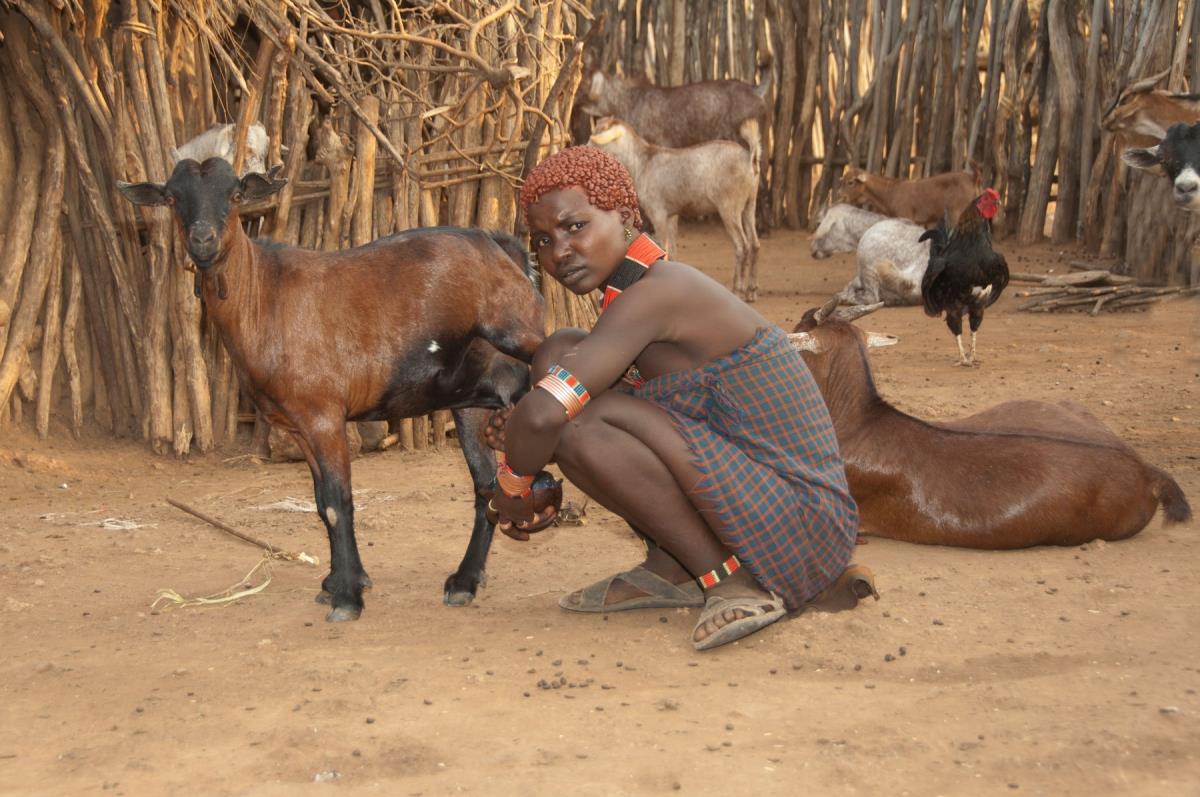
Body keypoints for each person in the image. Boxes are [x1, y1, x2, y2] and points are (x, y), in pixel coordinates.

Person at [488, 145, 876, 651]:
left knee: (578, 421)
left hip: (801, 523)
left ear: (625, 216)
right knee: (560, 352)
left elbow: (543, 417)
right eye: (543, 239)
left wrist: (511, 489)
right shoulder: (635, 291)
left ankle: (731, 581)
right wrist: (525, 432)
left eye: (575, 226)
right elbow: (547, 405)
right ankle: (673, 567)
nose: (558, 251)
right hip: (753, 494)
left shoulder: (661, 292)